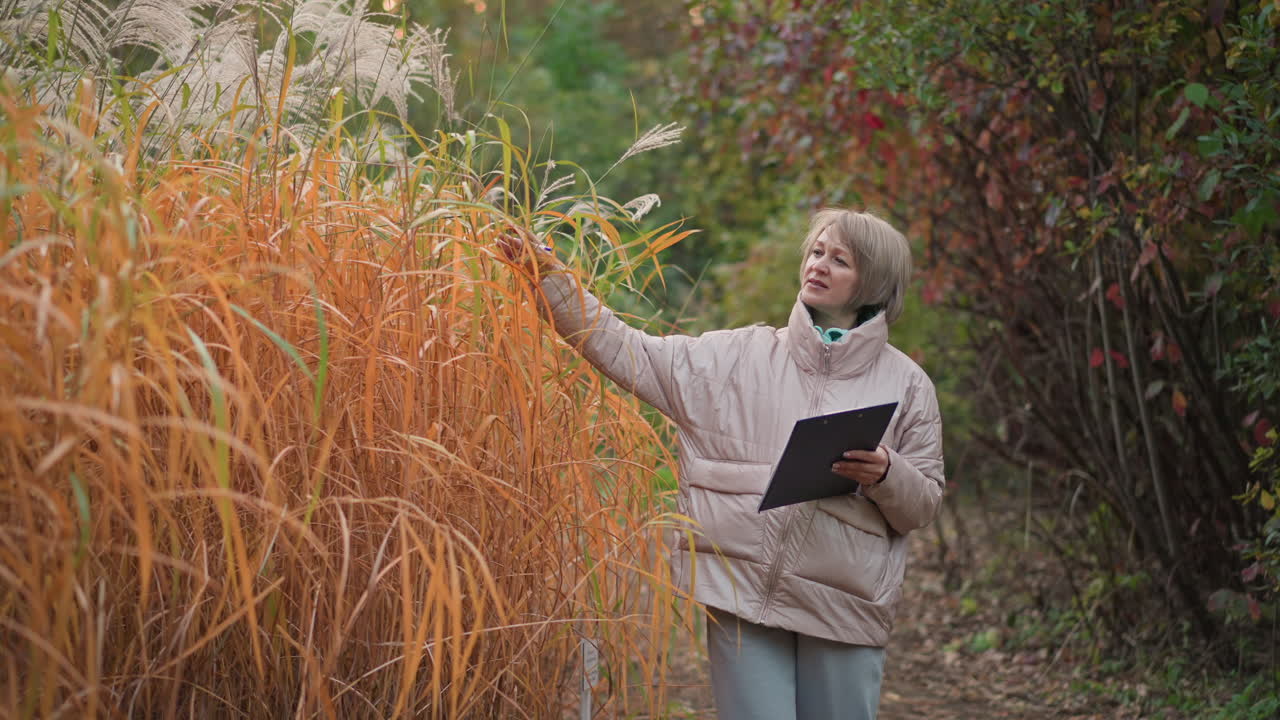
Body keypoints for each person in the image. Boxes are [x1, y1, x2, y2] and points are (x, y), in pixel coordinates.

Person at [500, 208, 944, 720]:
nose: (818, 265)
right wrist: (551, 281)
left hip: (843, 603)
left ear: (874, 283)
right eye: (816, 252)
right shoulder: (738, 355)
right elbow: (629, 351)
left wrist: (889, 473)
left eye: (839, 260)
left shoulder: (908, 385)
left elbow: (923, 503)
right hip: (743, 595)